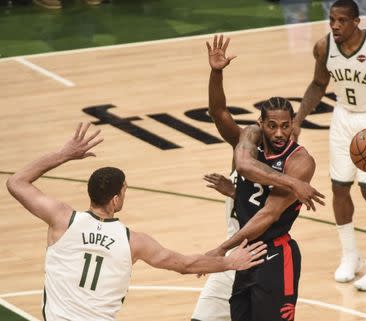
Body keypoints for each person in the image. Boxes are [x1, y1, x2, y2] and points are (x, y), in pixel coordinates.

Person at [5, 122, 268, 321]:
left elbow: (16, 182)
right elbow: (185, 264)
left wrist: (64, 154)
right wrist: (229, 262)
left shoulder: (62, 219)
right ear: (117, 198)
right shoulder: (133, 241)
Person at [293, 0, 366, 291]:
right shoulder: (324, 48)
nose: (335, 25)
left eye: (342, 20)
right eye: (332, 20)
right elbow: (318, 84)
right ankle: (351, 256)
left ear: (356, 22)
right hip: (342, 117)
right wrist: (298, 119)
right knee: (339, 187)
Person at [204, 35, 325, 321]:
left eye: (286, 126)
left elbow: (267, 216)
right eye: (273, 126)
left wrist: (222, 248)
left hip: (274, 255)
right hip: (245, 252)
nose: (280, 133)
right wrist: (216, 72)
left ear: (293, 124)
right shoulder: (250, 136)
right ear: (262, 124)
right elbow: (220, 117)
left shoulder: (301, 161)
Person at [191, 171, 238, 321]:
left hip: (262, 261)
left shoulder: (274, 170)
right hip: (230, 258)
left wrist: (234, 193)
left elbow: (271, 215)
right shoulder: (240, 157)